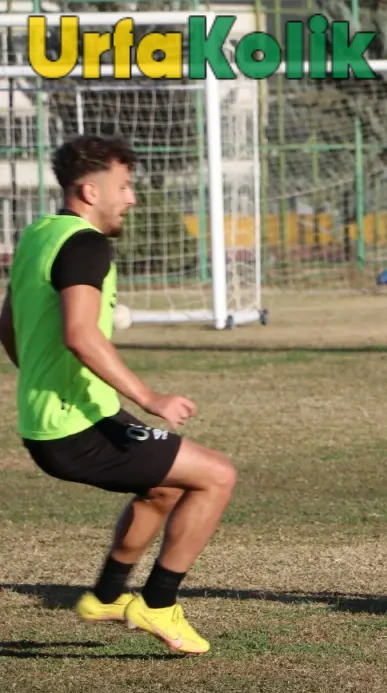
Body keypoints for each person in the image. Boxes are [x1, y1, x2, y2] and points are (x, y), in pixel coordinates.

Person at [0, 135, 238, 656]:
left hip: (62, 417)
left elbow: (8, 321)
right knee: (217, 476)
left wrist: (38, 374)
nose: (131, 198)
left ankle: (107, 596)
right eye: (124, 187)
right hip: (74, 427)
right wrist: (151, 397)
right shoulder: (86, 244)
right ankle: (157, 604)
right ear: (89, 190)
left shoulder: (40, 232)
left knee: (165, 487)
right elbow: (81, 335)